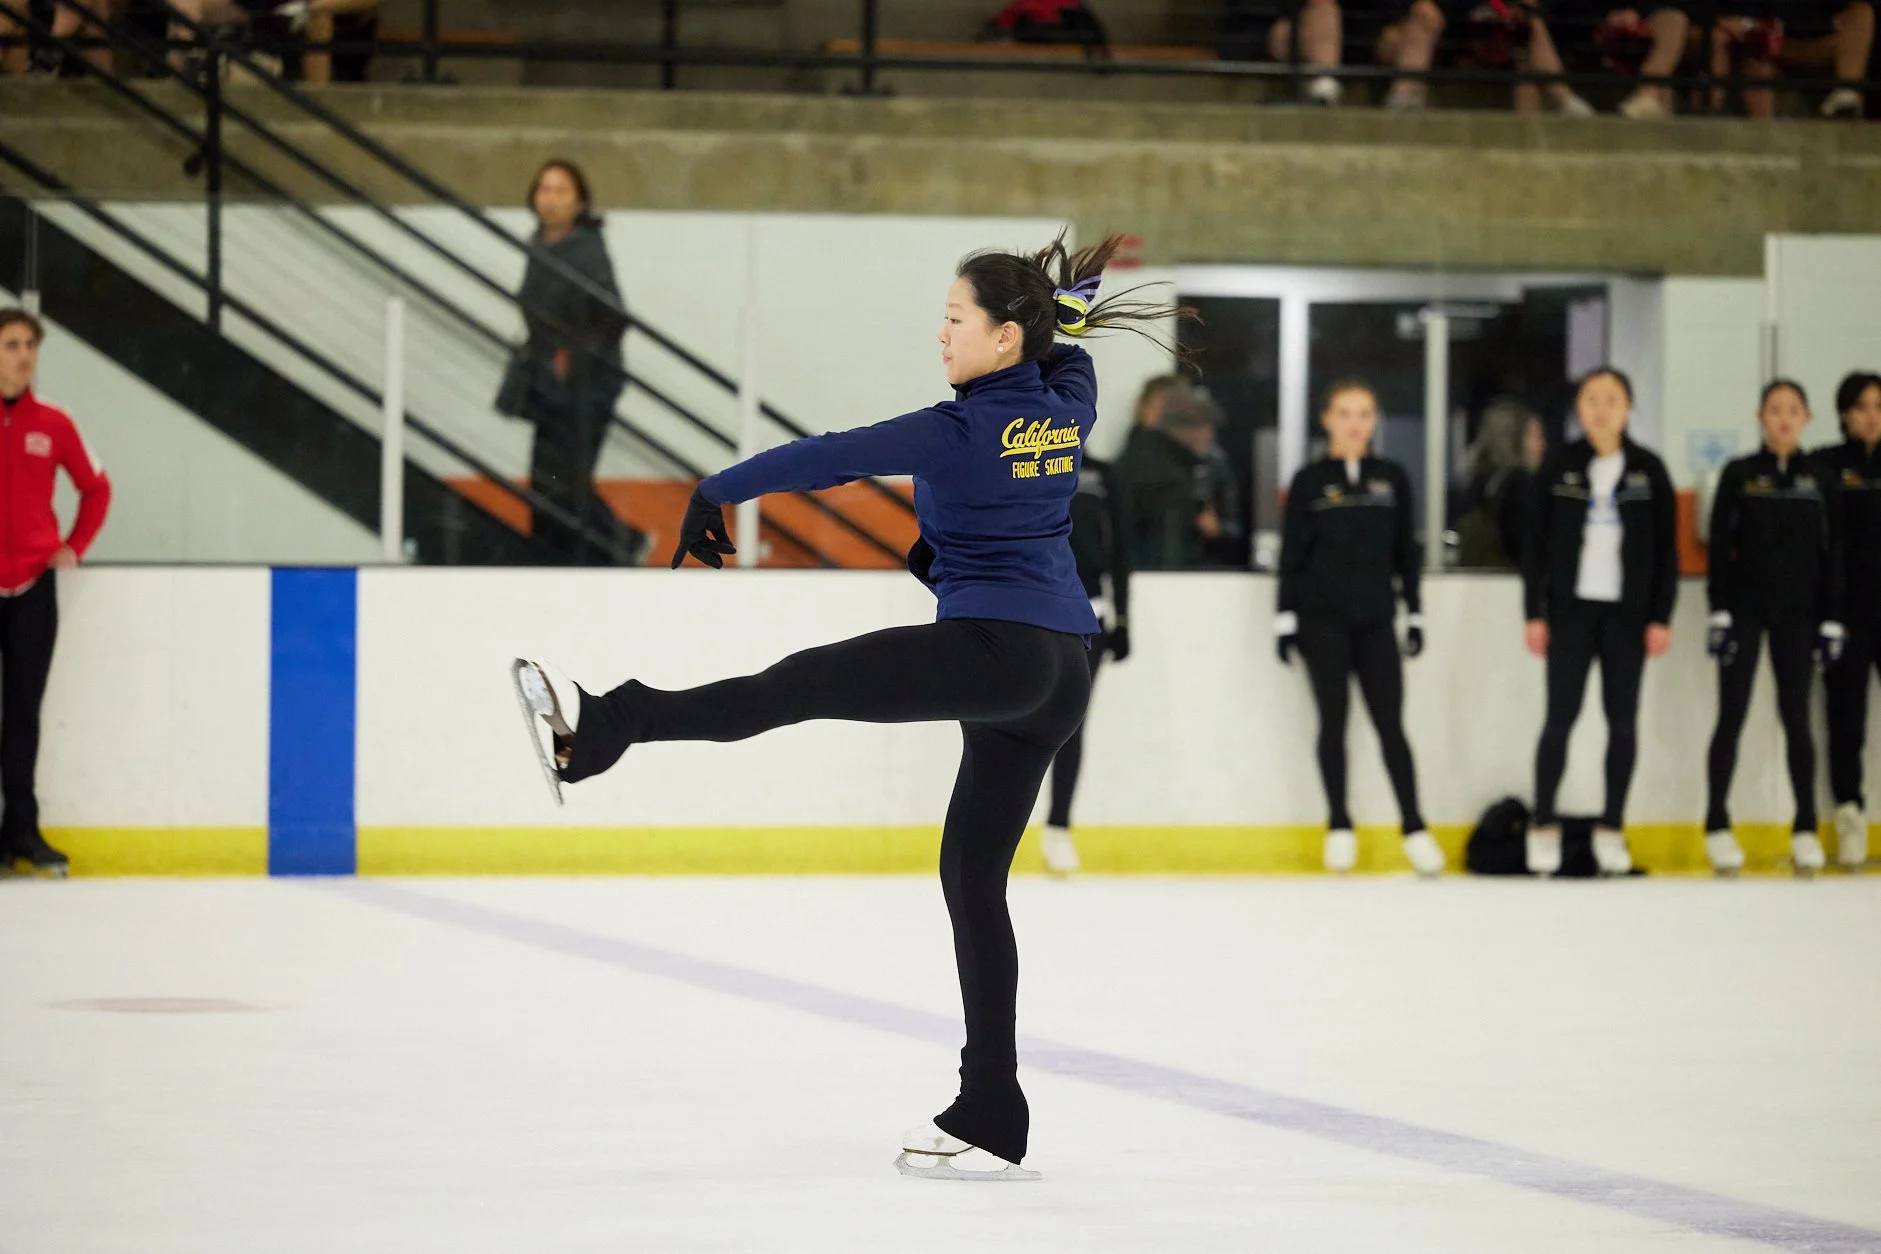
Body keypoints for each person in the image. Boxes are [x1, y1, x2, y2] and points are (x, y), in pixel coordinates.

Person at [510, 234, 1188, 1182]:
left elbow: (830, 458)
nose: (939, 335)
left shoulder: (956, 430)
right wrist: (1059, 323)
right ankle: (992, 1106)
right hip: (1061, 671)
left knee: (799, 684)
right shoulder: (1066, 403)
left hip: (995, 652)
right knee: (972, 882)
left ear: (1003, 337)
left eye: (955, 319)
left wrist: (715, 489)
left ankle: (611, 723)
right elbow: (1067, 357)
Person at [1276, 381, 1443, 876]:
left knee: (1391, 724)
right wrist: (1284, 620)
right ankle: (1339, 824)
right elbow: (1292, 555)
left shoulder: (1392, 478)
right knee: (1333, 722)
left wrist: (1415, 611)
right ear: (1327, 418)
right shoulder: (1309, 481)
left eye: (1364, 414)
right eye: (1345, 413)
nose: (1355, 423)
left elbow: (1406, 553)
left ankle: (1414, 827)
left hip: (1376, 621)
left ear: (1375, 421)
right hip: (1321, 621)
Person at [1522, 367, 1677, 877]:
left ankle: (1612, 827)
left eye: (1612, 400)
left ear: (1628, 408)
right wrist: (1534, 613)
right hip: (1571, 614)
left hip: (1627, 617)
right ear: (1579, 409)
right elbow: (1534, 546)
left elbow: (1666, 551)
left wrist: (1660, 616)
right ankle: (1543, 824)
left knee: (1622, 722)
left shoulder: (1649, 470)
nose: (1602, 410)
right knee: (1559, 719)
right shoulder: (1559, 466)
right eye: (1592, 400)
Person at [1702, 381, 1843, 876]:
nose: (1784, 418)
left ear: (1807, 419)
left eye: (1793, 410)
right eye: (1775, 409)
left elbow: (1834, 553)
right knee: (1732, 714)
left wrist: (1831, 618)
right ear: (1761, 416)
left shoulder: (1820, 480)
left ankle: (1805, 827)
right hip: (1744, 609)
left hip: (1798, 614)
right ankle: (1716, 823)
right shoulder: (1740, 474)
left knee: (1796, 718)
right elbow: (1719, 545)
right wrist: (1719, 610)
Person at [0, 309, 111, 877]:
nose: (24, 355)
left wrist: (75, 545)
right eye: (11, 344)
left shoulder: (55, 422)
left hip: (32, 590)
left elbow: (97, 487)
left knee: (23, 711)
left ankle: (21, 829)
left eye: (30, 345)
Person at [495, 159, 638, 566]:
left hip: (588, 383)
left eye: (561, 191)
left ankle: (622, 542)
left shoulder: (587, 250)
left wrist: (572, 356)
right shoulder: (538, 244)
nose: (551, 199)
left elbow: (613, 317)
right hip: (548, 383)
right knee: (546, 480)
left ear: (579, 202)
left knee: (567, 482)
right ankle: (550, 556)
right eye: (545, 189)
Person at [1039, 449, 1133, 876]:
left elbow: (1121, 547)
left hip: (1088, 612)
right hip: (1029, 608)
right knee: (1011, 719)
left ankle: (1059, 825)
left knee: (1070, 721)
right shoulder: (1020, 460)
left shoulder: (1102, 475)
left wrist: (1124, 617)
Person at [1821, 369, 1881, 871]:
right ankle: (1850, 816)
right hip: (1847, 614)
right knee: (1846, 721)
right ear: (1844, 414)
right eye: (1862, 407)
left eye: (1879, 406)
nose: (1872, 416)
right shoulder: (1826, 465)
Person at [1113, 388, 1243, 570]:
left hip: (1145, 573)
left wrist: (1218, 529)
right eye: (1204, 426)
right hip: (1164, 576)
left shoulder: (1209, 466)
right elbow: (1167, 550)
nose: (1209, 435)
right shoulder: (1165, 476)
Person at [1718, 2, 1875, 119]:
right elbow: (1743, 18)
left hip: (1821, 46)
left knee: (1862, 12)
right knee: (1754, 50)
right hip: (1772, 46)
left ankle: (1845, 96)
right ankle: (1764, 135)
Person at [1454, 396, 1543, 569]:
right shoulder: (1519, 487)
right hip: (1507, 577)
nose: (1542, 445)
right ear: (1515, 439)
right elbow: (1523, 545)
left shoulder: (1478, 481)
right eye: (1536, 437)